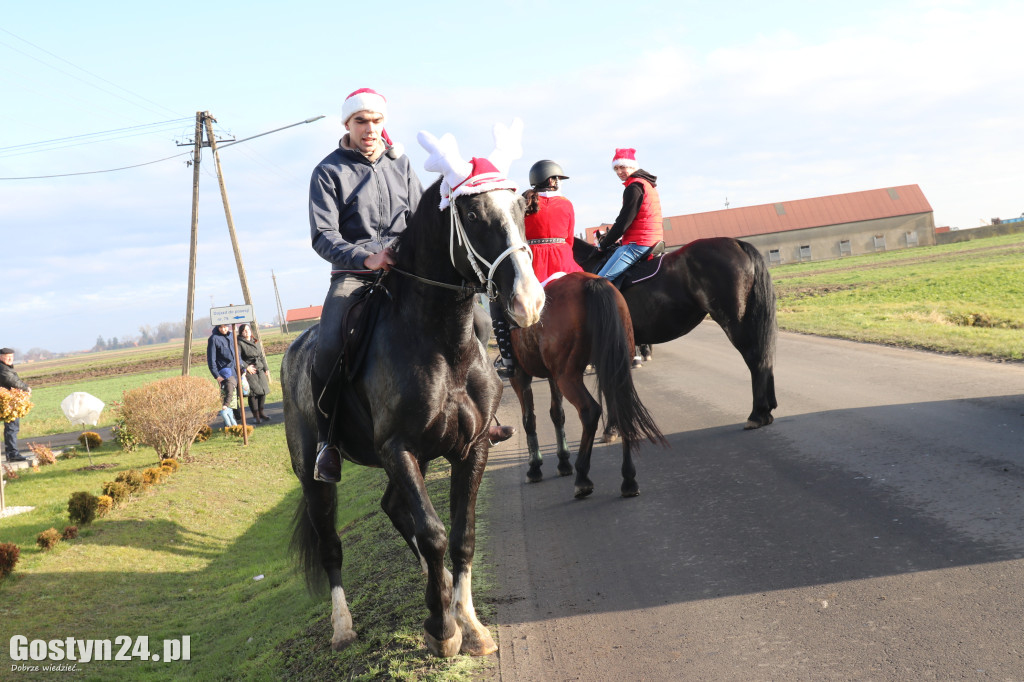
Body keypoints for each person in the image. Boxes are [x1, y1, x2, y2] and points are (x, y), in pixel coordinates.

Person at [491, 159, 582, 378]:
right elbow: (569, 239)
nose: (559, 183)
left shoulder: (522, 203)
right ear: (552, 180)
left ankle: (507, 359)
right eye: (558, 179)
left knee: (497, 304)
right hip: (564, 260)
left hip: (535, 264)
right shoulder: (566, 204)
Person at [597, 148, 664, 282]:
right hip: (652, 239)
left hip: (639, 244)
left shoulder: (634, 187)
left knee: (599, 282)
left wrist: (603, 244)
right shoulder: (647, 184)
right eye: (616, 169)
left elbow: (623, 221)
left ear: (632, 165)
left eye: (622, 167)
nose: (619, 172)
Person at [0, 347, 30, 462]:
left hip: (7, 402)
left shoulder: (5, 367)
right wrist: (25, 388)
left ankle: (12, 453)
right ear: (1, 357)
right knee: (12, 428)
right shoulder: (3, 368)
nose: (10, 359)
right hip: (8, 403)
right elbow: (11, 380)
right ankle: (12, 454)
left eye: (12, 357)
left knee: (11, 428)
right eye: (7, 357)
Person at [237, 324, 271, 423]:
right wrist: (246, 367)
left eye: (248, 330)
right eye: (244, 330)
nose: (246, 332)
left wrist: (266, 368)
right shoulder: (239, 343)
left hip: (259, 368)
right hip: (249, 370)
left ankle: (261, 412)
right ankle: (255, 415)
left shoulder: (256, 341)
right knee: (253, 393)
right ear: (241, 332)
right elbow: (238, 358)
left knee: (263, 392)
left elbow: (261, 356)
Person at [206, 324, 238, 426]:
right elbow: (211, 359)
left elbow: (237, 354)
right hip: (224, 374)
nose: (224, 329)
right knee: (227, 399)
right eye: (221, 327)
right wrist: (217, 375)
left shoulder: (231, 336)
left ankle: (236, 425)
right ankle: (229, 426)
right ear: (217, 328)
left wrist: (242, 367)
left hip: (235, 372)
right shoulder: (214, 339)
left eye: (225, 327)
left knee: (235, 399)